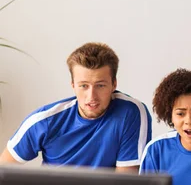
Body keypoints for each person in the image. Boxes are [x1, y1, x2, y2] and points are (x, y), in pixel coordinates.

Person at [0, 42, 151, 173]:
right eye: (84, 86)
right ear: (73, 85)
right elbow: (4, 169)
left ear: (114, 84)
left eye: (100, 86)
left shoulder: (130, 113)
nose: (91, 96)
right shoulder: (44, 121)